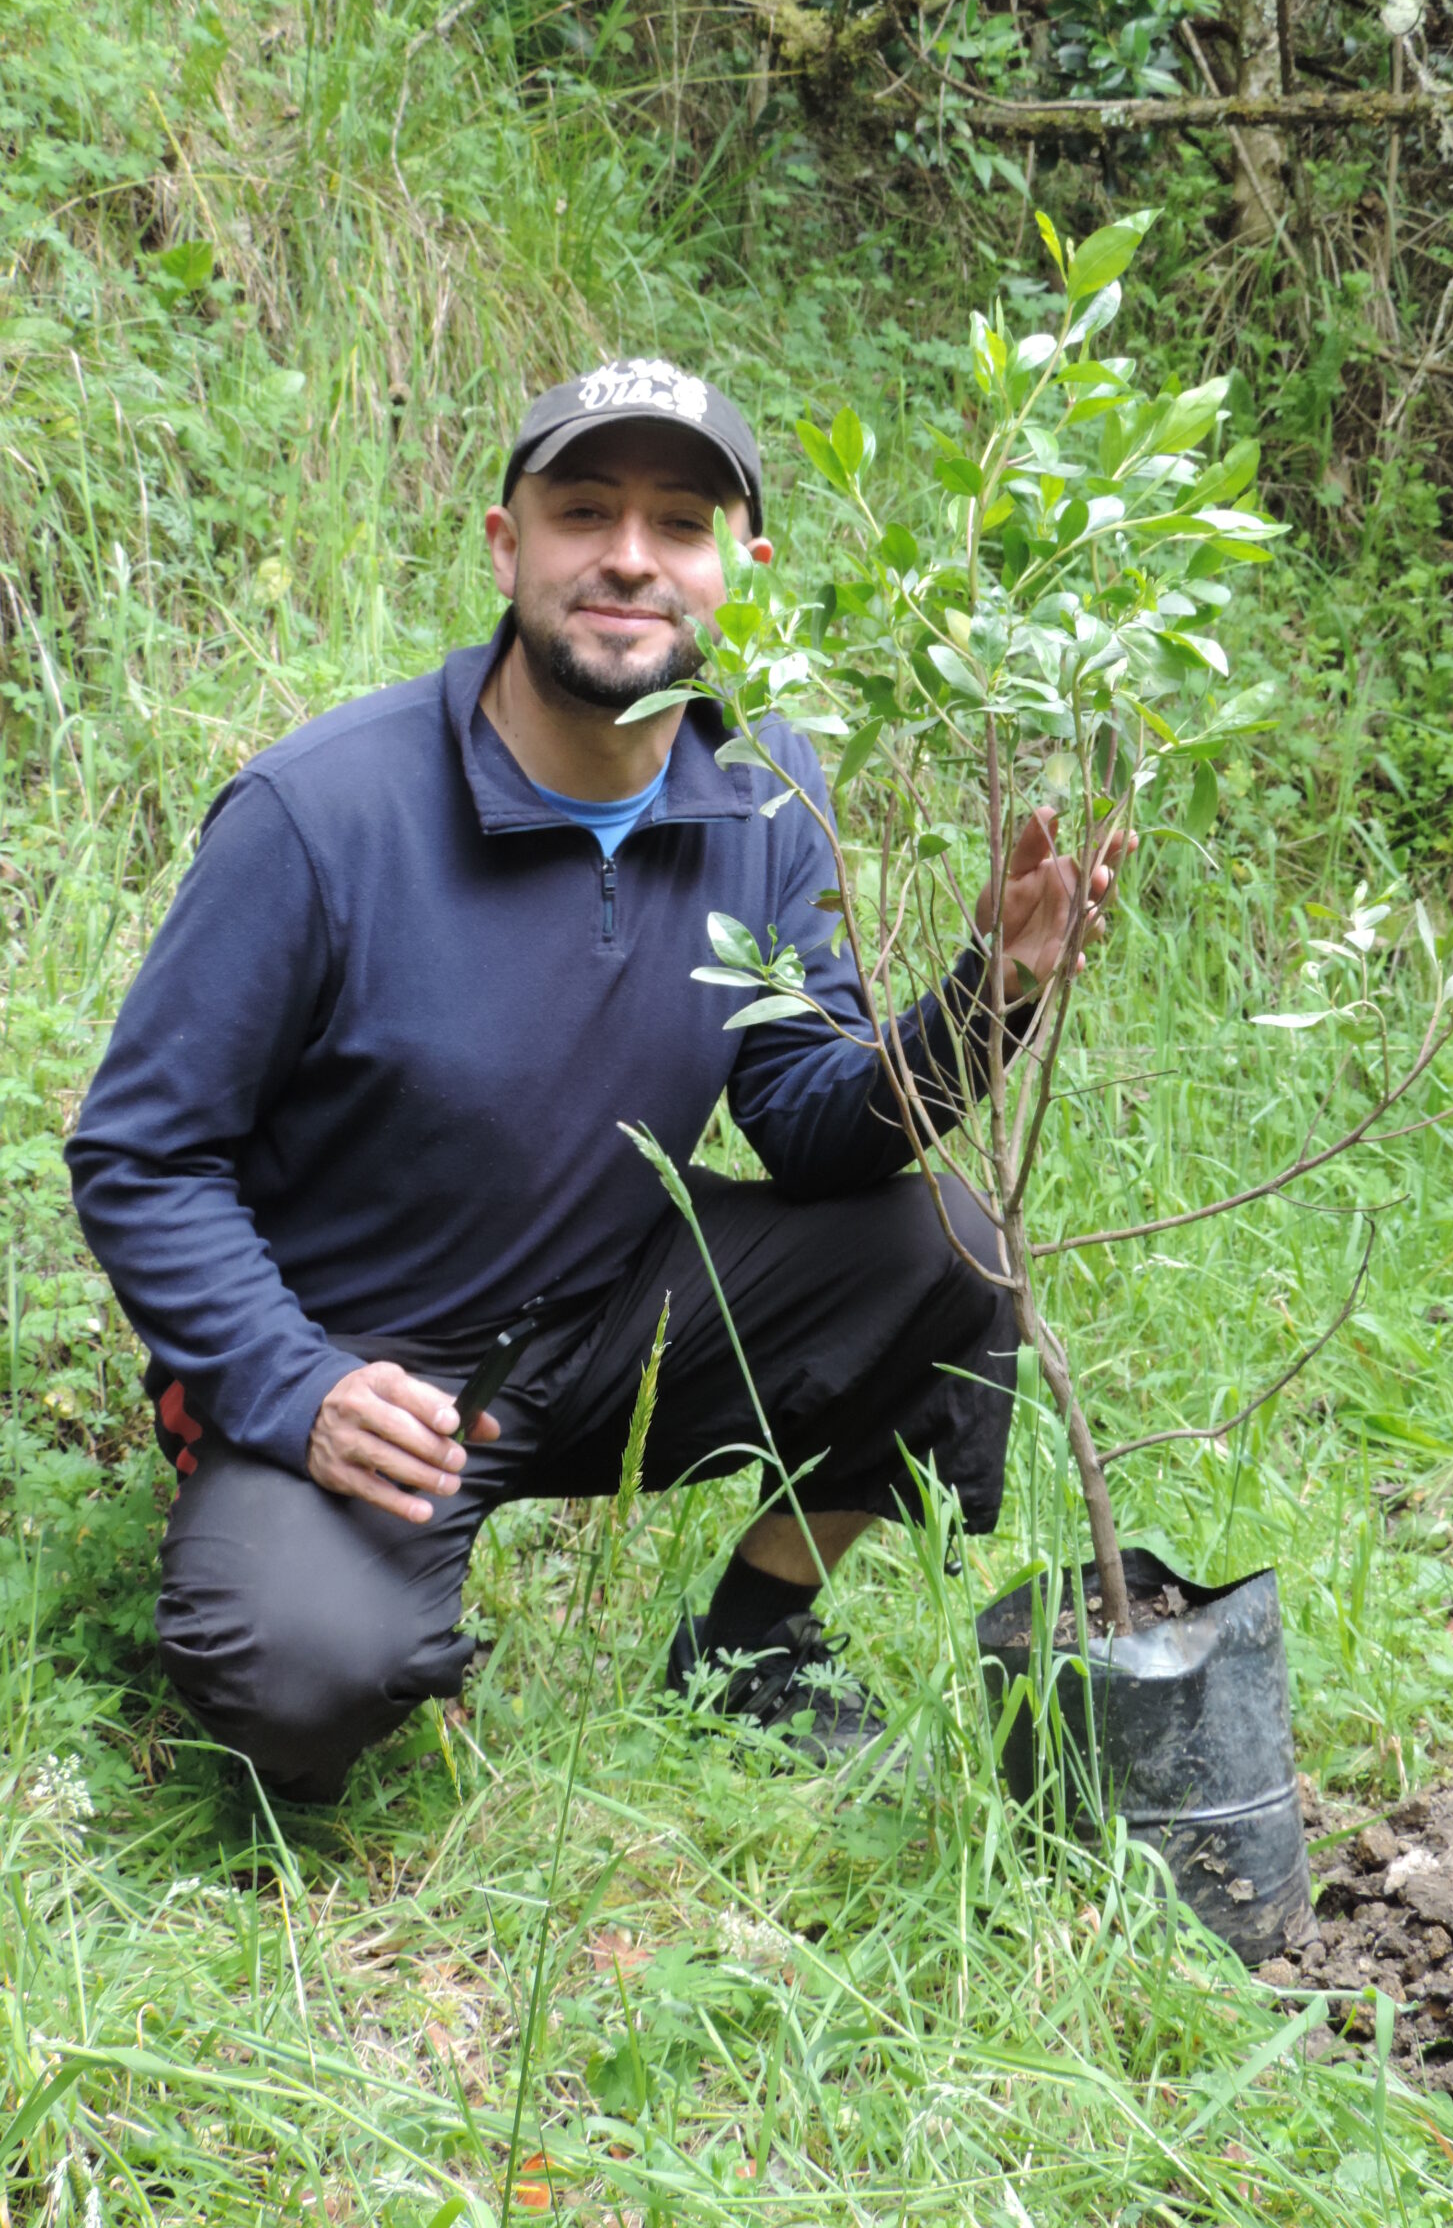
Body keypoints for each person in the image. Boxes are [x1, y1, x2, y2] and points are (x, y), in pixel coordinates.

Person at [66, 358, 1121, 1803]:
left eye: (680, 523)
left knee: (952, 1249)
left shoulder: (762, 788)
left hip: (612, 1317)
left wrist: (988, 998)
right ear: (508, 547)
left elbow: (811, 1125)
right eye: (584, 512)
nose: (631, 556)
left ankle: (750, 1641)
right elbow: (141, 1152)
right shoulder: (321, 814)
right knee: (299, 1695)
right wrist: (292, 1382)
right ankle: (308, 1543)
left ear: (739, 573)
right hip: (367, 1368)